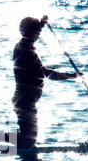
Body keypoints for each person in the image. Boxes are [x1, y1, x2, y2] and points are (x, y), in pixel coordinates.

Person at [13, 16, 81, 148]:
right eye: (37, 33)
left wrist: (41, 23)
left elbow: (32, 30)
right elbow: (47, 74)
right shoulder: (26, 51)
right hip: (25, 101)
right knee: (28, 141)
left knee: (28, 139)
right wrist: (72, 76)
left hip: (25, 100)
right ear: (33, 33)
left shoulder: (24, 46)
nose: (38, 36)